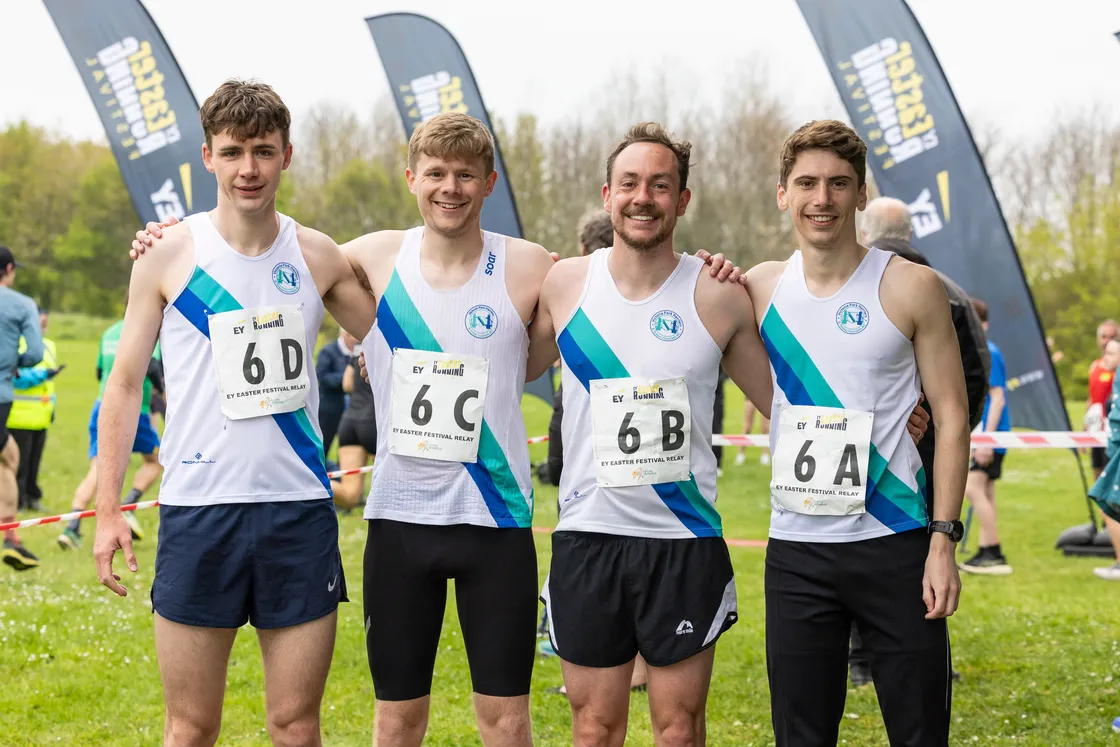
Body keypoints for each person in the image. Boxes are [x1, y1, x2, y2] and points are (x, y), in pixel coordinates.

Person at [525, 122, 929, 747]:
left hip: (683, 540)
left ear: (682, 201)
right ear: (607, 194)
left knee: (679, 731)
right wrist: (381, 361)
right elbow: (501, 368)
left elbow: (791, 399)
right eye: (629, 184)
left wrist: (895, 414)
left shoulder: (720, 293)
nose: (643, 197)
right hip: (589, 537)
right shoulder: (564, 283)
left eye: (661, 186)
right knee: (594, 727)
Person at [105, 79, 375, 746]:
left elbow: (394, 336)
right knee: (191, 726)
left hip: (298, 513)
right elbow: (124, 384)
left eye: (263, 150)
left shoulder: (317, 255)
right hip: (200, 510)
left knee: (294, 724)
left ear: (287, 154)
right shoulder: (168, 253)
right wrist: (109, 507)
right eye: (232, 152)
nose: (248, 168)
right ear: (208, 157)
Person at [741, 120, 968, 746]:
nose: (823, 199)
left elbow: (951, 416)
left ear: (861, 194)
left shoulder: (910, 285)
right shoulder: (755, 289)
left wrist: (943, 541)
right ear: (782, 193)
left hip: (895, 544)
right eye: (807, 183)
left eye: (839, 184)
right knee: (801, 734)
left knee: (920, 731)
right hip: (796, 552)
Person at [847, 195, 990, 686]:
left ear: (864, 230)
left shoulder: (858, 282)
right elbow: (975, 376)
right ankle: (930, 660)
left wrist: (916, 415)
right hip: (931, 456)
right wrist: (942, 421)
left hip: (865, 449)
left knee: (857, 546)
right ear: (911, 233)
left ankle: (862, 659)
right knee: (928, 553)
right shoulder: (950, 289)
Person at [56, 315, 164, 550]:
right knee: (156, 461)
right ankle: (129, 505)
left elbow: (98, 371)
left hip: (101, 405)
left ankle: (71, 527)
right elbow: (154, 367)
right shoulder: (148, 325)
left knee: (98, 468)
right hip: (133, 410)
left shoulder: (109, 332)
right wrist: (163, 393)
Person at [958, 297, 1013, 576]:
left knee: (971, 488)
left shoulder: (989, 351)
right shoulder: (981, 350)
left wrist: (986, 440)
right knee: (986, 491)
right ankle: (988, 549)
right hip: (986, 433)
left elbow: (998, 396)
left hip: (990, 434)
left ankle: (992, 551)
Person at [0, 245, 44, 571]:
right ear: (10, 269)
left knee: (7, 456)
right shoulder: (21, 304)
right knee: (10, 458)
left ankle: (10, 537)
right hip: (1, 393)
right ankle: (10, 538)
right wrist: (14, 363)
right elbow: (36, 352)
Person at [10, 307, 60, 513]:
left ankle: (32, 497)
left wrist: (52, 407)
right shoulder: (16, 344)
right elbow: (16, 377)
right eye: (40, 325)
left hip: (42, 414)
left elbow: (50, 384)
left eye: (45, 325)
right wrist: (42, 375)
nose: (43, 329)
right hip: (20, 415)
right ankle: (17, 501)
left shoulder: (49, 346)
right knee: (19, 463)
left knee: (34, 461)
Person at [331, 341, 376, 510]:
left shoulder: (360, 344)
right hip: (374, 421)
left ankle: (305, 482)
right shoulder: (389, 338)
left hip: (350, 421)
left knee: (350, 495)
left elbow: (347, 384)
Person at [1090, 338, 1120, 579]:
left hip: (1114, 448)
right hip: (1105, 442)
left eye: (1112, 353)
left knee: (1109, 505)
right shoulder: (1102, 374)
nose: (1106, 358)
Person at [316, 328, 355, 465]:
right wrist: (345, 379)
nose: (357, 340)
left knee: (346, 448)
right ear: (345, 335)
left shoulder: (359, 352)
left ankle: (343, 480)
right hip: (329, 409)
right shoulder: (328, 351)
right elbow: (322, 375)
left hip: (352, 412)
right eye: (354, 336)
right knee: (323, 445)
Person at [1088, 320, 1119, 480]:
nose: (1107, 341)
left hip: (1111, 428)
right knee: (1097, 471)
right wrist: (1085, 428)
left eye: (1112, 336)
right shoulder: (1095, 366)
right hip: (1095, 425)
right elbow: (1091, 398)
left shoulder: (1116, 368)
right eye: (1104, 336)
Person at [734, 397, 770, 467]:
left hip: (765, 397)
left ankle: (765, 455)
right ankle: (741, 454)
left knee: (765, 428)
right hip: (750, 397)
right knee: (747, 427)